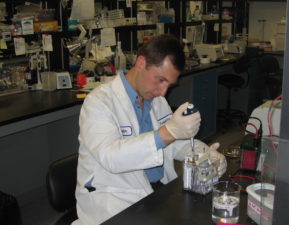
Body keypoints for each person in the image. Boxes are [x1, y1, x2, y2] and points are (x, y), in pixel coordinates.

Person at [72, 34, 227, 225]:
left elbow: (176, 142)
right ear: (140, 63)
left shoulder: (157, 100)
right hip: (113, 199)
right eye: (160, 80)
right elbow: (110, 157)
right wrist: (167, 132)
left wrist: (205, 154)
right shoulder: (99, 102)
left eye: (169, 85)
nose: (163, 92)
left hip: (156, 192)